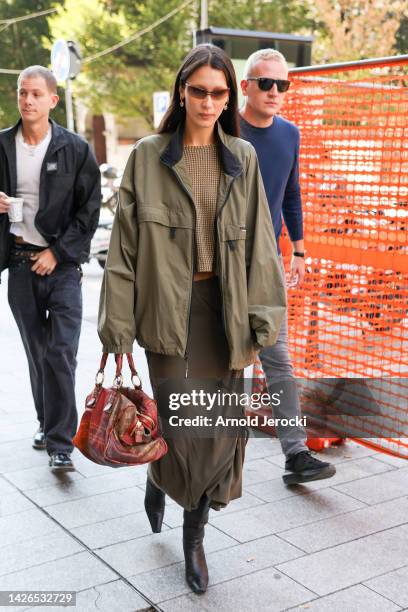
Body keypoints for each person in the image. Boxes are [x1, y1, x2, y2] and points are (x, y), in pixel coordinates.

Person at [98, 44, 286, 594]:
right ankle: (163, 475)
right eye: (199, 90)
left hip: (224, 314)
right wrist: (117, 329)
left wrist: (263, 319)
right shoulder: (148, 156)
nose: (208, 101)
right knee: (182, 429)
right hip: (166, 313)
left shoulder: (242, 158)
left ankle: (194, 536)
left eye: (219, 92)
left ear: (231, 97)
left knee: (217, 430)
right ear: (182, 91)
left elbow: (260, 251)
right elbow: (124, 252)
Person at [240, 49, 336, 485]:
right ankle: (207, 453)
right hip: (218, 266)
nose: (275, 92)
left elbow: (291, 193)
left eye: (282, 85)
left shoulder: (290, 134)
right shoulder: (224, 130)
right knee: (225, 363)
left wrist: (298, 250)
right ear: (246, 87)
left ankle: (295, 454)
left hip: (266, 264)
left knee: (278, 359)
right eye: (266, 83)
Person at [0, 66, 101, 472]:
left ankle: (61, 443)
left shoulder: (74, 148)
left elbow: (89, 210)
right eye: (23, 93)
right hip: (20, 265)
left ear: (52, 100)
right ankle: (47, 424)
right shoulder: (3, 144)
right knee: (37, 352)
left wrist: (58, 253)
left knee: (61, 353)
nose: (27, 100)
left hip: (61, 269)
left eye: (36, 94)